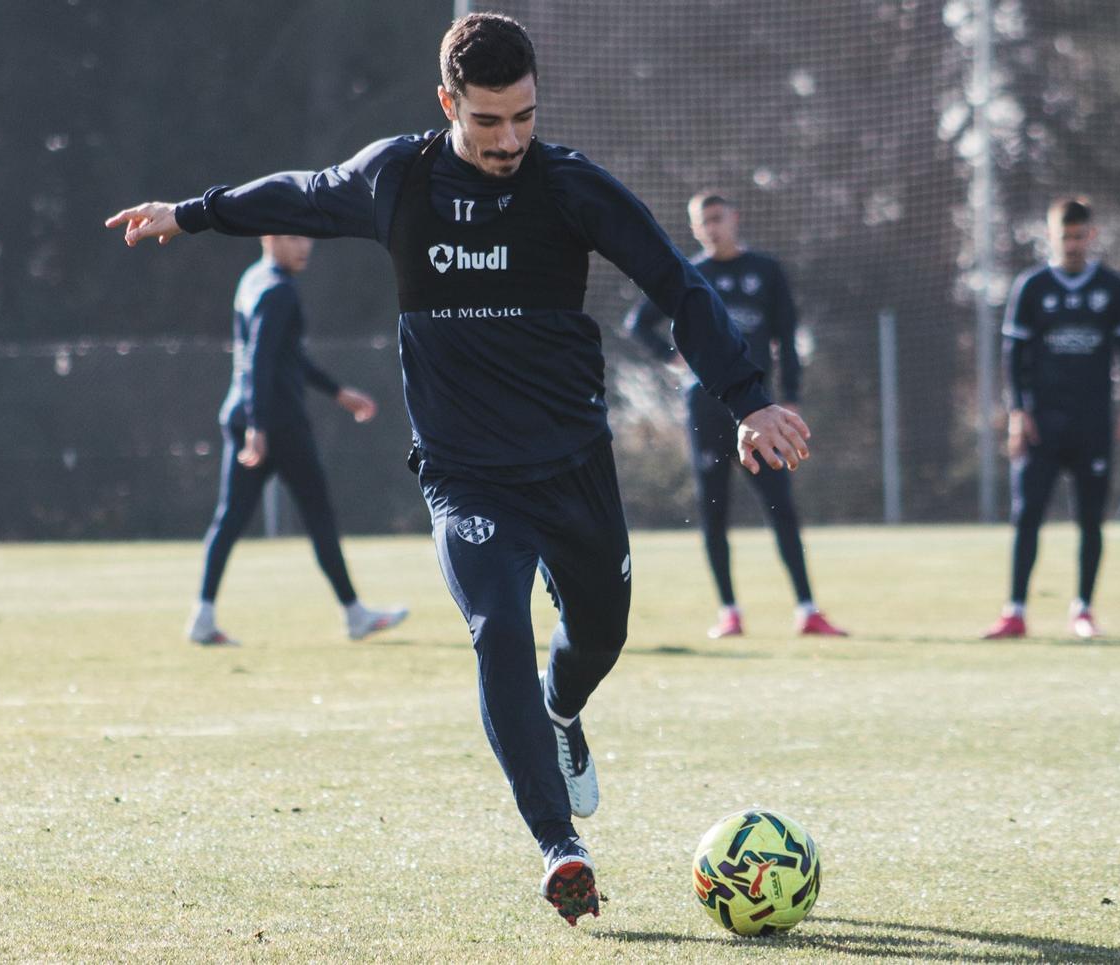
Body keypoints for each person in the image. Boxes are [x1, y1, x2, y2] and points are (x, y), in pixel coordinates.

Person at [105, 13, 811, 925]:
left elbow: (677, 283)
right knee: (496, 630)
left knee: (599, 636)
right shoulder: (397, 178)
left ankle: (564, 713)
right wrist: (193, 213)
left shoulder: (570, 187)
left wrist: (746, 396)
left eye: (523, 116)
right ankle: (560, 845)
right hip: (464, 473)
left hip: (574, 467)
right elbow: (300, 193)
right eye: (488, 122)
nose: (510, 139)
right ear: (448, 104)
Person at [625, 192, 847, 640]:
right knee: (714, 508)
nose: (711, 228)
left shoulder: (765, 271)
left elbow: (786, 336)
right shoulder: (690, 274)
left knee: (780, 505)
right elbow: (637, 323)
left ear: (733, 219)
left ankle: (807, 608)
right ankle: (729, 611)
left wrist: (793, 397)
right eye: (702, 222)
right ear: (694, 228)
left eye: (717, 218)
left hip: (758, 409)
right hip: (706, 410)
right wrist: (675, 358)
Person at [185, 234, 409, 646]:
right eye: (293, 237)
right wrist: (260, 426)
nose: (305, 245)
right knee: (319, 516)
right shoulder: (278, 291)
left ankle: (202, 616)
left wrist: (336, 391)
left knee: (229, 519)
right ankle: (355, 614)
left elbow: (283, 356)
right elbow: (260, 360)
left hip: (243, 416)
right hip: (279, 425)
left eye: (306, 236)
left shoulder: (252, 280)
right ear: (268, 238)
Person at [983, 198, 1120, 640]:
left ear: (1091, 235)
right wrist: (1017, 412)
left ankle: (1083, 610)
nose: (1072, 244)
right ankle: (1014, 611)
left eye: (1079, 236)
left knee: (1091, 519)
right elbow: (1013, 355)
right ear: (1050, 236)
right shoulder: (1031, 287)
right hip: (1042, 423)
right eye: (1064, 236)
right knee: (1027, 513)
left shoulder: (1112, 287)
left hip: (1092, 422)